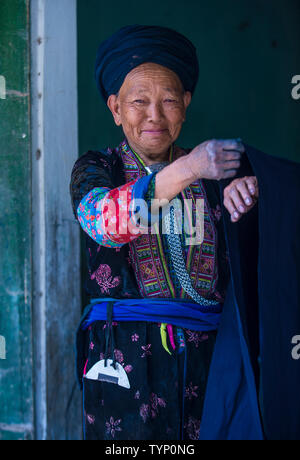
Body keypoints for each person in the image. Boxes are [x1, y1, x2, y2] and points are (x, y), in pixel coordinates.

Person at [71, 25, 300, 441]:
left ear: (187, 105)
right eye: (139, 101)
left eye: (169, 101)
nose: (154, 115)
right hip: (123, 363)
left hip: (211, 364)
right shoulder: (96, 168)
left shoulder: (215, 175)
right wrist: (191, 168)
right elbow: (103, 221)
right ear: (115, 108)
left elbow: (256, 253)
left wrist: (248, 199)